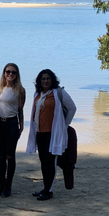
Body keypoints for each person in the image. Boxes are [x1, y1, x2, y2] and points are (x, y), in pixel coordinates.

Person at [26, 69, 76, 201]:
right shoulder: (37, 94)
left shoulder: (59, 93)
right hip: (40, 133)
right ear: (39, 81)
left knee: (50, 162)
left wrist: (64, 126)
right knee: (43, 162)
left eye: (48, 78)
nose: (46, 81)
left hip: (52, 134)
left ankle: (49, 190)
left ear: (52, 80)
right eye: (43, 79)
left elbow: (72, 108)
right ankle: (45, 187)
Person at [0, 63, 27, 197]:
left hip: (12, 123)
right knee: (1, 156)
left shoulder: (20, 90)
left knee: (10, 156)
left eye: (13, 72)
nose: (10, 74)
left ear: (17, 74)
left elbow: (20, 109)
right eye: (8, 72)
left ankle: (8, 185)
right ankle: (0, 183)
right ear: (4, 73)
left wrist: (21, 125)